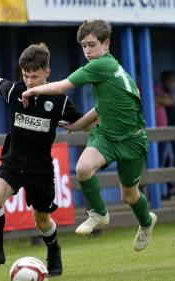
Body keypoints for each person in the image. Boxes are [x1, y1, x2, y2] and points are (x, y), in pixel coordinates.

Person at [22, 20, 157, 252]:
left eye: (92, 45)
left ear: (106, 44)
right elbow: (101, 107)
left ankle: (146, 222)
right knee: (83, 168)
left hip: (132, 140)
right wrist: (78, 125)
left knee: (130, 197)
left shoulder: (101, 65)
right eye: (84, 46)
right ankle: (99, 214)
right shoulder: (104, 67)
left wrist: (32, 90)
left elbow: (62, 86)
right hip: (106, 135)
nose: (87, 51)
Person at [0, 43, 96, 276]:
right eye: (26, 76)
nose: (29, 81)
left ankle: (53, 251)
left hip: (40, 169)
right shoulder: (16, 91)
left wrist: (89, 119)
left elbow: (86, 125)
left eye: (35, 76)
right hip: (13, 161)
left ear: (47, 72)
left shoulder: (59, 101)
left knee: (42, 221)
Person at [155, 70, 175, 198]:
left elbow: (170, 101)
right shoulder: (160, 90)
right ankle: (166, 191)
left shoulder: (170, 93)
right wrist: (164, 100)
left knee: (170, 160)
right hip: (163, 133)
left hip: (171, 132)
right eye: (170, 80)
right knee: (166, 161)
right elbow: (158, 100)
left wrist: (165, 100)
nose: (172, 83)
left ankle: (170, 191)